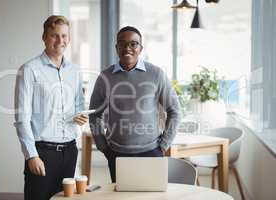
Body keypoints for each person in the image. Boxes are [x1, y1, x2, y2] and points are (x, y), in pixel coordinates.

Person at [89, 26, 181, 182]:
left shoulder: (156, 74)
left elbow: (175, 111)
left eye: (133, 44)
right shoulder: (105, 77)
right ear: (116, 48)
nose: (128, 48)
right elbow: (94, 114)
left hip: (151, 152)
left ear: (140, 48)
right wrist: (102, 145)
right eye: (122, 44)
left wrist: (164, 145)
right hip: (117, 153)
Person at [14, 15, 88, 200]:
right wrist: (31, 155)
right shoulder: (29, 70)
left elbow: (79, 103)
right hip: (42, 153)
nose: (60, 40)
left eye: (64, 36)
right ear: (44, 37)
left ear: (69, 39)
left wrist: (81, 115)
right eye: (54, 35)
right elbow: (22, 118)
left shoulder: (75, 71)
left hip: (70, 151)